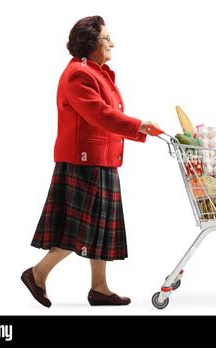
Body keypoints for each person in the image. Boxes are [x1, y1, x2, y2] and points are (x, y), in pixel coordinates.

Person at [21, 15, 160, 307]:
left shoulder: (97, 72)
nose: (112, 43)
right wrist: (140, 126)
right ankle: (37, 273)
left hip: (102, 159)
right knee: (77, 230)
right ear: (89, 43)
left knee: (99, 229)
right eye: (106, 38)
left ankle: (99, 288)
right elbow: (100, 114)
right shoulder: (78, 74)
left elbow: (106, 115)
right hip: (83, 161)